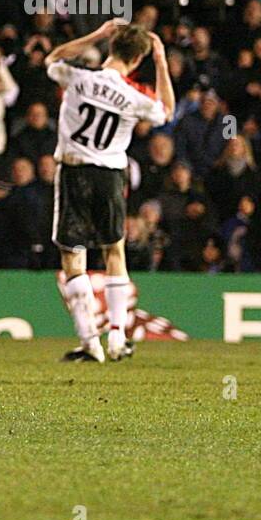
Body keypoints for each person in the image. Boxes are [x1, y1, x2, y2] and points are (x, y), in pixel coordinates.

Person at [46, 19, 174, 362]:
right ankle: (117, 337)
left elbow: (53, 59)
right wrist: (161, 61)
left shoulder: (79, 77)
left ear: (112, 49)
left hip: (73, 171)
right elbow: (167, 110)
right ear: (137, 60)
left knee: (73, 256)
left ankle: (90, 341)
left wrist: (98, 34)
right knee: (114, 251)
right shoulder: (134, 95)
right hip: (110, 177)